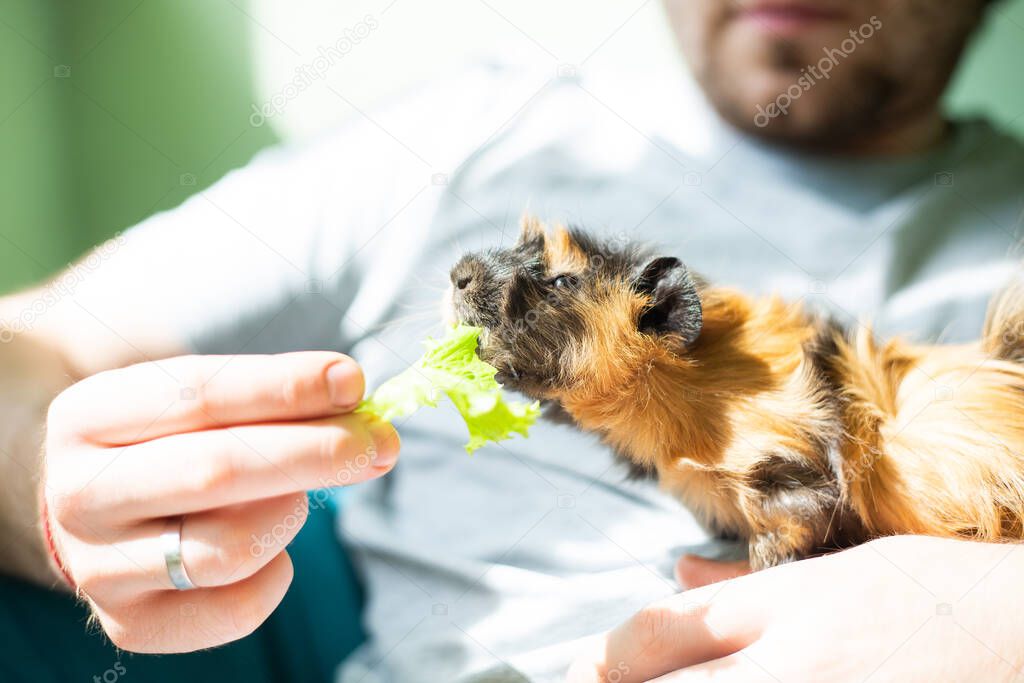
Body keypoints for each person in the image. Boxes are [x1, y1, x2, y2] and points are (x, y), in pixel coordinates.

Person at [2, 0, 1022, 680]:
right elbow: (30, 345)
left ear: (665, 316)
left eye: (560, 284)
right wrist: (55, 480)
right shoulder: (476, 128)